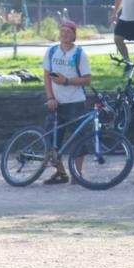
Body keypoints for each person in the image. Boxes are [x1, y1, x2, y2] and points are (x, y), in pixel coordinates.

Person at [42, 20, 92, 185]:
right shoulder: (51, 52)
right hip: (56, 102)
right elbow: (46, 76)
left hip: (75, 102)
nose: (64, 35)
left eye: (68, 32)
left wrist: (66, 81)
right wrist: (50, 97)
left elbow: (87, 80)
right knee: (51, 139)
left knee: (79, 139)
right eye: (62, 32)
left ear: (74, 35)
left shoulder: (80, 54)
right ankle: (61, 173)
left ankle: (77, 173)